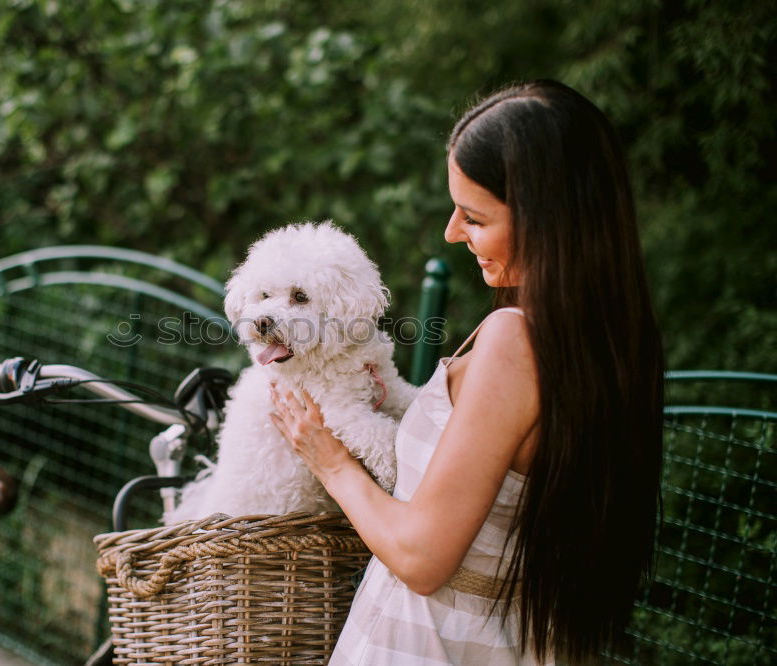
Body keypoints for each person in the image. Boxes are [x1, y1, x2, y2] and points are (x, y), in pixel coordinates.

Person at [269, 80, 664, 665]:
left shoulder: (515, 342)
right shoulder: (616, 345)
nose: (452, 232)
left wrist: (329, 459)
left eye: (475, 217)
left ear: (548, 220)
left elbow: (421, 557)